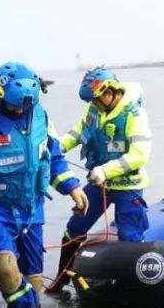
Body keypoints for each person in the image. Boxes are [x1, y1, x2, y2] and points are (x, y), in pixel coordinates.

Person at [0, 61, 88, 308]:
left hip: (32, 211)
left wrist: (72, 188)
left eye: (26, 105)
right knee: (7, 273)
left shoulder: (39, 114)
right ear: (0, 96)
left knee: (33, 287)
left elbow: (53, 156)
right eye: (14, 106)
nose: (20, 111)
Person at [51, 67, 153, 291]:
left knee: (130, 236)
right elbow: (77, 134)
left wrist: (106, 170)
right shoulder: (93, 110)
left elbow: (139, 155)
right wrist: (54, 147)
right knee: (74, 227)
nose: (94, 104)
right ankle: (61, 279)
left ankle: (134, 288)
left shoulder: (134, 115)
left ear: (110, 92)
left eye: (97, 99)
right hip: (99, 186)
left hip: (128, 186)